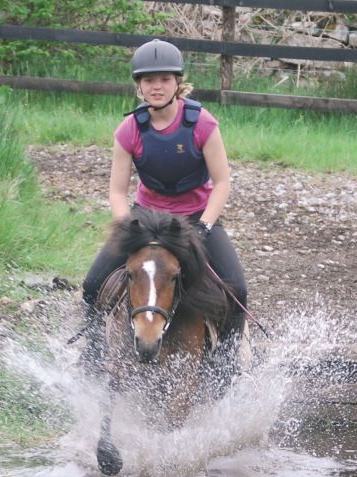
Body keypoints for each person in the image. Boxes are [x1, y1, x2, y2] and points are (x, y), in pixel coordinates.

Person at [81, 39, 247, 370]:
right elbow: (117, 190)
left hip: (196, 218)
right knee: (91, 284)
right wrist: (128, 224)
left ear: (178, 83)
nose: (156, 87)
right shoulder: (129, 130)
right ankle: (94, 349)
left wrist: (204, 226)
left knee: (237, 289)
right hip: (147, 217)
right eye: (148, 80)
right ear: (139, 87)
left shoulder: (202, 123)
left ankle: (226, 360)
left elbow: (222, 182)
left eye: (164, 80)